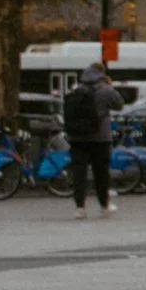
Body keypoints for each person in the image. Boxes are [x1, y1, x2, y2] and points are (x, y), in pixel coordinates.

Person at [61, 62, 115, 215]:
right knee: (101, 173)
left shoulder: (75, 90)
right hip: (101, 138)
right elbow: (119, 103)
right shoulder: (105, 90)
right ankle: (104, 205)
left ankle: (80, 207)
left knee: (79, 173)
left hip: (77, 138)